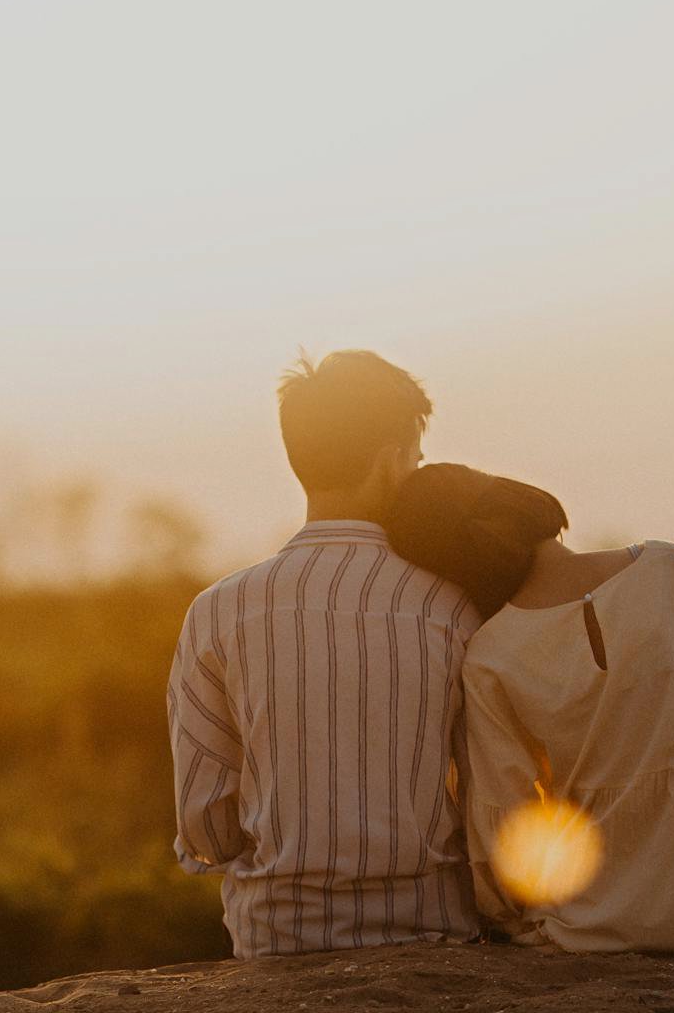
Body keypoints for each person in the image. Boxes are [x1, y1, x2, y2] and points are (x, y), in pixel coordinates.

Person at [383, 463, 674, 961]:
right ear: (516, 497)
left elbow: (506, 821)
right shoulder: (671, 570)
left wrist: (510, 919)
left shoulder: (489, 656)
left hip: (587, 931)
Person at [167, 351, 482, 957]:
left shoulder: (219, 610)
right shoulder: (452, 606)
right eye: (415, 459)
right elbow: (488, 794)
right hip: (434, 930)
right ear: (390, 461)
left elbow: (204, 823)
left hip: (278, 937)